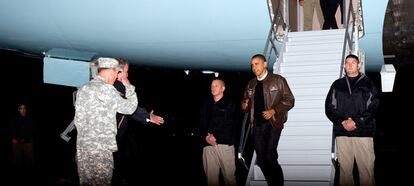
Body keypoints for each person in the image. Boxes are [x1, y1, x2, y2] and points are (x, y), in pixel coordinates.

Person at [74, 57, 138, 185]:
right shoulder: (108, 90)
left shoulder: (83, 89)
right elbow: (130, 108)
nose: (116, 77)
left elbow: (78, 121)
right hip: (101, 150)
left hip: (83, 149)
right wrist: (129, 87)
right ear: (110, 72)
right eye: (116, 73)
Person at [325, 54, 380, 186]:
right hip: (342, 132)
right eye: (347, 63)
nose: (350, 65)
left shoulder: (368, 83)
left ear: (359, 65)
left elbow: (374, 106)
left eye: (353, 62)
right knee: (345, 171)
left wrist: (356, 121)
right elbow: (329, 107)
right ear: (344, 66)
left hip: (363, 132)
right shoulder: (337, 84)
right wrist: (343, 121)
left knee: (366, 170)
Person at [241, 54, 295, 186]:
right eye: (252, 65)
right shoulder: (251, 84)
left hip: (273, 123)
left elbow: (290, 100)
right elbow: (245, 105)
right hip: (257, 124)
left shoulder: (278, 80)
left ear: (265, 64)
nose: (254, 67)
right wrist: (244, 105)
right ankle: (273, 182)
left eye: (257, 64)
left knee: (270, 155)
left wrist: (274, 110)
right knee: (261, 158)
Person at [112, 58, 164, 185]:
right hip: (109, 139)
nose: (127, 74)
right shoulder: (116, 87)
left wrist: (146, 115)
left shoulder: (115, 87)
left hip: (113, 139)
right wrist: (147, 117)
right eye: (126, 71)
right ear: (118, 72)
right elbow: (130, 107)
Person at [199, 78, 238, 186]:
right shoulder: (206, 104)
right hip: (207, 146)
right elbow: (201, 124)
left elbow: (230, 124)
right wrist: (206, 138)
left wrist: (215, 136)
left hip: (224, 145)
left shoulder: (230, 104)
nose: (213, 88)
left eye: (216, 85)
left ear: (223, 88)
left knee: (229, 179)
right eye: (212, 86)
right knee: (211, 180)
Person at [8, 102, 36, 184]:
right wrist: (16, 139)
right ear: (18, 110)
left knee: (30, 160)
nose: (23, 110)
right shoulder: (14, 119)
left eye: (24, 108)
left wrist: (27, 138)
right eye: (21, 108)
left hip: (28, 143)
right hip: (17, 143)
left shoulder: (30, 119)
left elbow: (33, 130)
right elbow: (11, 130)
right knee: (17, 160)